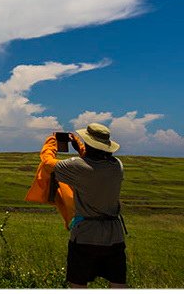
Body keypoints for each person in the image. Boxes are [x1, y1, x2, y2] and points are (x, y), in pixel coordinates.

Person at [52, 123, 127, 288]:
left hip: (86, 234)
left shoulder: (76, 166)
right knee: (117, 284)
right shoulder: (118, 166)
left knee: (78, 284)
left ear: (87, 142)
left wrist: (50, 144)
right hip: (114, 234)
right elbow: (94, 166)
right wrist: (81, 150)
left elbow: (50, 166)